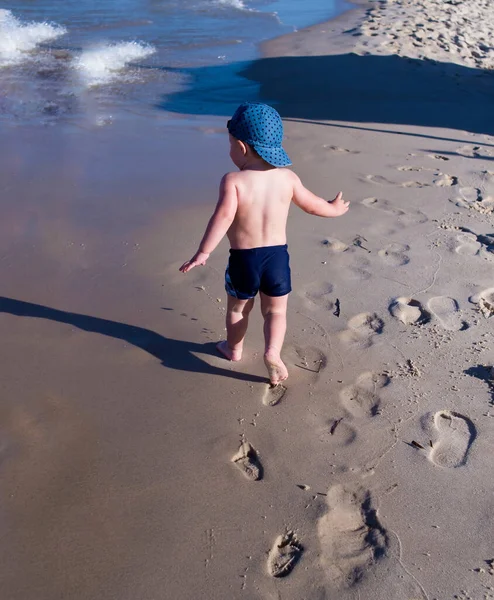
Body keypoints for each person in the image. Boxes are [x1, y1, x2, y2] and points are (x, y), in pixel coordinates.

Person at [180, 102, 349, 385]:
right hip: (276, 259)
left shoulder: (233, 180)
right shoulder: (287, 178)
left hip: (244, 260)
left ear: (242, 148)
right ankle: (272, 352)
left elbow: (222, 218)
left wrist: (203, 252)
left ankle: (233, 349)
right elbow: (312, 206)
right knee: (276, 310)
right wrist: (334, 208)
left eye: (231, 145)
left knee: (237, 309)